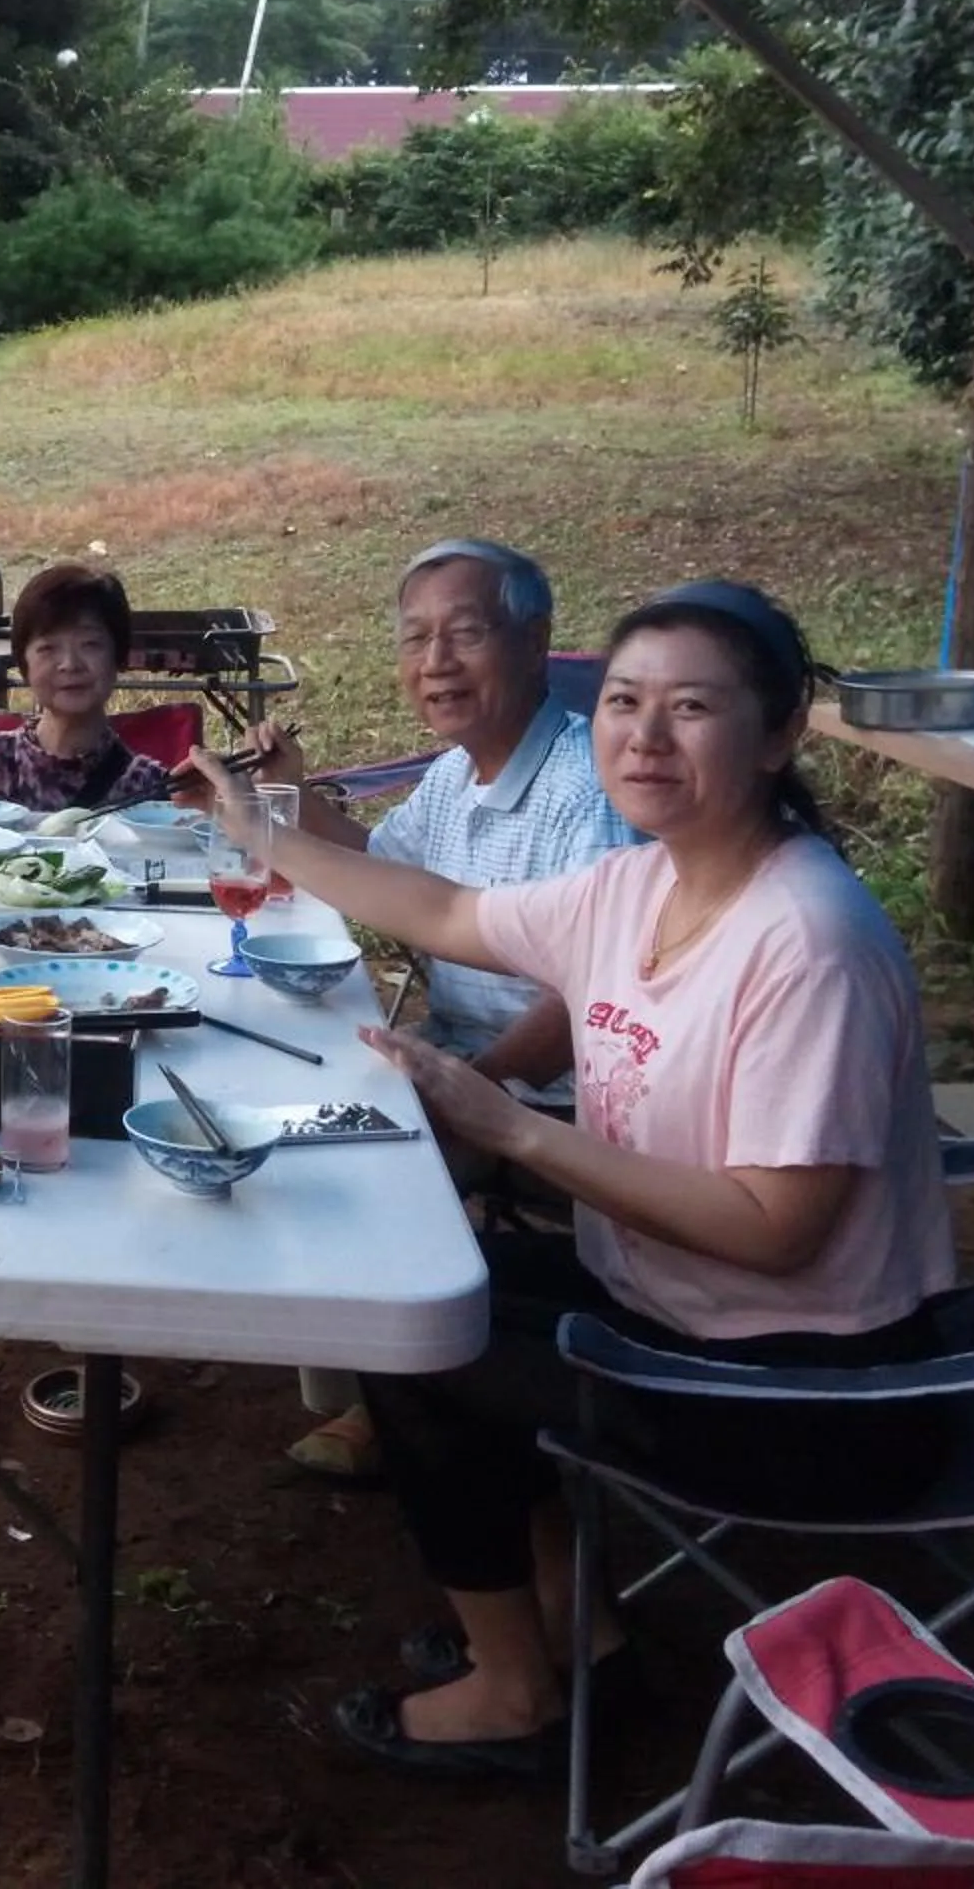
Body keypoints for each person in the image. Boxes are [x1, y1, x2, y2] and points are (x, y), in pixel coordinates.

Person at [193, 582, 955, 1781]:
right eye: (623, 704)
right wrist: (264, 837)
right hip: (671, 1311)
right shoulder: (644, 882)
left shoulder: (809, 941)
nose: (645, 739)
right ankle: (576, 1635)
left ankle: (513, 1698)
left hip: (804, 1391)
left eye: (691, 708)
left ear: (779, 732)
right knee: (420, 1284)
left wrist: (514, 1130)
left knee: (420, 1338)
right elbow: (444, 907)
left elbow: (780, 1233)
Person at [246, 539, 637, 1485]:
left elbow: (595, 989)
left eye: (465, 635)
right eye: (416, 639)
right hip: (466, 1057)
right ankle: (364, 1380)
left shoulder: (586, 792)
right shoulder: (463, 770)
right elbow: (383, 868)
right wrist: (292, 786)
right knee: (288, 1080)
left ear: (535, 642)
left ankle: (404, 1390)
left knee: (351, 1162)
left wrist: (485, 1087)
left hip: (572, 1098)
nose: (436, 663)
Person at [0, 562, 182, 813]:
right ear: (23, 662)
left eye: (90, 644)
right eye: (48, 648)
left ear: (119, 657)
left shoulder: (147, 785)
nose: (70, 664)